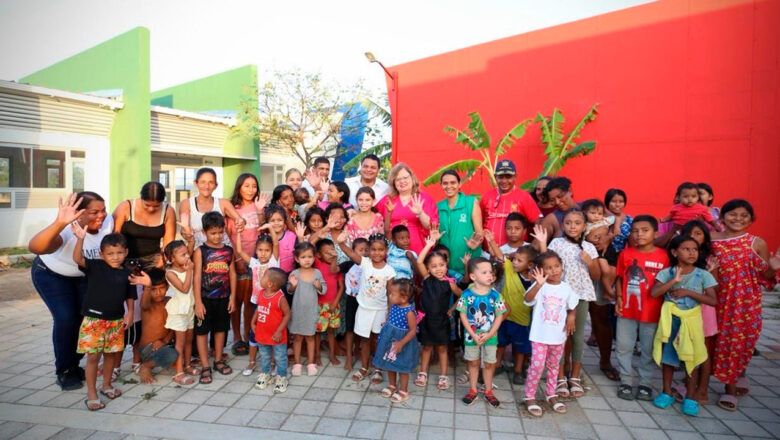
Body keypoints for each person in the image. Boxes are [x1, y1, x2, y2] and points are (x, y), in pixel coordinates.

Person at [29, 192, 112, 390]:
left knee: (85, 320)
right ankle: (65, 370)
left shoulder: (108, 222)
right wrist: (60, 222)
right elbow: (35, 247)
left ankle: (74, 363)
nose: (101, 215)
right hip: (51, 276)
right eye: (94, 212)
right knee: (66, 319)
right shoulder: (68, 230)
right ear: (80, 213)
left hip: (82, 278)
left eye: (103, 210)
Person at [711, 199, 779, 411]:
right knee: (712, 340)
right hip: (714, 299)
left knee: (738, 342)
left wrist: (773, 268)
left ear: (751, 220)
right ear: (722, 217)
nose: (738, 219)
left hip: (744, 304)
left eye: (744, 216)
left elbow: (765, 276)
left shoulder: (756, 242)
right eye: (732, 214)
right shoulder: (711, 240)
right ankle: (697, 384)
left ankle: (730, 387)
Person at [71, 230, 138, 411]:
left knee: (111, 355)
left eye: (119, 253)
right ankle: (91, 393)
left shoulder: (127, 273)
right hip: (93, 320)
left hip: (116, 321)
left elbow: (130, 296)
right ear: (102, 254)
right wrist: (80, 238)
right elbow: (78, 258)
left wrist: (130, 313)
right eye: (110, 253)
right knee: (93, 357)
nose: (115, 257)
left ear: (126, 253)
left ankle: (106, 385)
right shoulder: (96, 266)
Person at [651, 235, 717, 417]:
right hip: (671, 320)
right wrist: (674, 281)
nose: (691, 253)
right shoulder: (667, 273)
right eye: (686, 249)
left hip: (691, 322)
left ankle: (691, 397)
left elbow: (713, 300)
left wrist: (687, 292)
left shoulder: (703, 274)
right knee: (668, 358)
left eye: (694, 249)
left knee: (691, 359)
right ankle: (666, 392)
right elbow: (655, 292)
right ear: (674, 252)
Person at [542, 210, 600, 398]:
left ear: (584, 226)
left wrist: (590, 262)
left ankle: (574, 376)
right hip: (558, 297)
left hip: (581, 296)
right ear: (563, 225)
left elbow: (597, 275)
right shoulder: (556, 243)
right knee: (560, 336)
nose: (572, 226)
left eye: (577, 223)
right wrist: (543, 244)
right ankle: (559, 376)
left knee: (576, 335)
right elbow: (547, 264)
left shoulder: (589, 248)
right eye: (568, 223)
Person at [614, 215, 669, 401]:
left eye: (645, 230)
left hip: (652, 312)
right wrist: (619, 298)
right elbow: (620, 277)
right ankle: (626, 381)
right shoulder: (626, 254)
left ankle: (645, 383)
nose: (639, 234)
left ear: (656, 232)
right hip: (627, 309)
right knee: (624, 346)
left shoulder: (664, 256)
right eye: (635, 231)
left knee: (648, 349)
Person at [522, 251, 578, 417]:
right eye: (549, 268)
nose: (554, 270)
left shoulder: (566, 287)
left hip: (558, 337)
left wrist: (572, 317)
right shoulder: (540, 285)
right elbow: (527, 299)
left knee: (554, 365)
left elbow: (572, 305)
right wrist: (538, 284)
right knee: (537, 366)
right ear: (541, 271)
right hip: (539, 336)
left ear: (562, 267)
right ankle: (529, 396)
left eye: (557, 266)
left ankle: (551, 394)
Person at [336, 231, 396, 385]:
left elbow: (390, 293)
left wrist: (390, 312)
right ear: (369, 251)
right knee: (364, 340)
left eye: (381, 250)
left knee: (378, 340)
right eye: (373, 249)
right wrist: (342, 243)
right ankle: (364, 367)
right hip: (363, 309)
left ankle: (378, 368)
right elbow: (350, 253)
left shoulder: (389, 270)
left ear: (386, 251)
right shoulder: (365, 263)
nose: (377, 253)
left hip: (381, 310)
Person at [226, 173, 268, 357]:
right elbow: (229, 235)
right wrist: (236, 258)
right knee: (236, 301)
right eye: (246, 186)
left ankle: (249, 334)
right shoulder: (231, 208)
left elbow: (263, 228)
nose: (251, 190)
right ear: (239, 187)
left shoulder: (259, 206)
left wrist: (259, 210)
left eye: (253, 186)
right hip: (237, 259)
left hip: (257, 261)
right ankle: (236, 337)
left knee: (251, 301)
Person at [456, 257, 507, 407]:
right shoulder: (466, 294)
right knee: (473, 362)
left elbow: (499, 316)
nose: (489, 275)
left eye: (491, 272)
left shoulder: (495, 295)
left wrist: (490, 334)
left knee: (490, 364)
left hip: (490, 337)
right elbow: (462, 315)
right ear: (473, 276)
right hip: (471, 337)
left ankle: (489, 391)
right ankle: (472, 390)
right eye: (484, 272)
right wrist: (472, 334)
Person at [193, 212, 237, 384]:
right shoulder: (200, 251)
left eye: (220, 232)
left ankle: (218, 359)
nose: (217, 236)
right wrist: (197, 302)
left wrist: (233, 297)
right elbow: (197, 276)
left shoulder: (228, 251)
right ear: (204, 232)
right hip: (205, 299)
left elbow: (232, 274)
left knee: (221, 329)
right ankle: (205, 365)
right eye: (213, 233)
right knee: (203, 331)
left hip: (224, 297)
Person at [415, 233, 461, 390]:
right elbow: (419, 260)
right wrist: (429, 245)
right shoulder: (427, 279)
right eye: (434, 266)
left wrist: (452, 309)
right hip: (427, 321)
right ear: (428, 268)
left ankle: (443, 375)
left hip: (442, 321)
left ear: (446, 265)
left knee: (442, 348)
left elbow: (463, 296)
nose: (438, 269)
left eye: (441, 265)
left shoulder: (450, 283)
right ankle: (423, 372)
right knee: (426, 347)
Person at [372, 279, 420, 403]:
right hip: (390, 339)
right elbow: (390, 316)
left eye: (393, 293)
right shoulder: (394, 305)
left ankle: (403, 391)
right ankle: (392, 385)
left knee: (402, 366)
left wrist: (401, 343)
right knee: (389, 363)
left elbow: (413, 330)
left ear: (404, 298)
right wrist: (387, 324)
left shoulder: (409, 312)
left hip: (402, 342)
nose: (390, 295)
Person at [495, 245, 537, 385]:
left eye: (519, 261)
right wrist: (491, 240)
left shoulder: (534, 279)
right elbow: (500, 255)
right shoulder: (509, 270)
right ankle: (497, 365)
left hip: (522, 319)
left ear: (530, 264)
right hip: (504, 316)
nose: (514, 262)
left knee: (521, 348)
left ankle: (518, 371)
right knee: (500, 343)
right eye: (514, 259)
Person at [178, 167, 245, 252]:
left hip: (222, 255)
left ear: (216, 185)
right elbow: (184, 231)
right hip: (198, 254)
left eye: (211, 182)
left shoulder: (223, 203)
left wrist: (241, 222)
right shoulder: (186, 204)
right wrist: (187, 233)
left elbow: (240, 219)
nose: (206, 186)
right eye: (203, 182)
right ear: (196, 183)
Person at [113, 181, 177, 270]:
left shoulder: (168, 211)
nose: (151, 209)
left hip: (154, 260)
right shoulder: (125, 207)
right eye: (147, 205)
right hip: (125, 259)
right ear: (141, 197)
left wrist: (163, 259)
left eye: (156, 206)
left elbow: (169, 241)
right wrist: (117, 260)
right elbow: (114, 237)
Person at [377, 163, 438, 254]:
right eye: (398, 179)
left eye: (405, 178)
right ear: (393, 182)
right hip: (393, 250)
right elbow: (372, 216)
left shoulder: (424, 198)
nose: (402, 181)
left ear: (412, 178)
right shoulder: (387, 200)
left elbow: (430, 226)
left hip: (419, 248)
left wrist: (420, 213)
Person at [585, 225, 620, 381]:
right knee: (571, 321)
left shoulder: (609, 223)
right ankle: (566, 365)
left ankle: (605, 362)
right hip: (580, 270)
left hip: (600, 274)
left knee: (601, 318)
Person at [480, 160, 542, 247]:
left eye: (508, 177)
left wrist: (534, 246)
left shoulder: (524, 196)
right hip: (488, 252)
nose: (504, 181)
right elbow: (479, 223)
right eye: (501, 177)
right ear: (495, 177)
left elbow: (538, 221)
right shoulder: (487, 196)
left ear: (515, 176)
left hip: (516, 254)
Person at [287, 242, 326, 376]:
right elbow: (289, 291)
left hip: (311, 312)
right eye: (303, 257)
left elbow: (323, 290)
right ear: (297, 259)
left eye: (310, 256)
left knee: (310, 337)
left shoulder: (317, 273)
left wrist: (318, 286)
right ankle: (297, 363)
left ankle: (311, 363)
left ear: (314, 257)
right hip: (297, 312)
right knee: (297, 338)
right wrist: (292, 285)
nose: (307, 260)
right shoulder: (294, 273)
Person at [136, 268, 180, 385]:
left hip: (164, 344)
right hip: (149, 348)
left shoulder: (169, 301)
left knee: (182, 345)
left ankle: (176, 362)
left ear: (167, 287)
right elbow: (144, 305)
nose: (158, 292)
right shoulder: (148, 305)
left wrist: (165, 340)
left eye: (161, 288)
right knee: (172, 355)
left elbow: (174, 326)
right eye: (153, 289)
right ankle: (146, 366)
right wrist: (147, 286)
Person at [163, 241, 197, 385]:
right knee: (180, 343)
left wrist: (191, 242)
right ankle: (178, 372)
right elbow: (184, 288)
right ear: (172, 258)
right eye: (183, 255)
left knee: (189, 340)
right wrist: (189, 271)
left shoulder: (186, 267)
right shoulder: (170, 273)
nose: (187, 256)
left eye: (187, 253)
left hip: (189, 309)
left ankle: (187, 365)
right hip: (178, 311)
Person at [252, 267, 291, 394]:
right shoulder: (261, 293)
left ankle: (281, 377)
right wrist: (253, 321)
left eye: (263, 276)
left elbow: (287, 314)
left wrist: (279, 331)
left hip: (277, 336)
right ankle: (266, 374)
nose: (261, 277)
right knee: (264, 356)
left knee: (280, 357)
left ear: (270, 283)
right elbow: (259, 308)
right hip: (262, 333)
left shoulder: (280, 298)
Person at [437, 170, 483, 277]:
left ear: (459, 184)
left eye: (453, 183)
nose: (449, 186)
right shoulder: (439, 206)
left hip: (469, 264)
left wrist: (476, 242)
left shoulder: (471, 202)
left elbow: (479, 232)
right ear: (441, 185)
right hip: (446, 268)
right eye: (445, 183)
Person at [657, 182, 720, 246]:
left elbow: (710, 220)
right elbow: (670, 216)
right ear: (679, 197)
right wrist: (663, 220)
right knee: (673, 243)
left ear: (698, 197)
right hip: (678, 231)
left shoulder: (702, 209)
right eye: (686, 196)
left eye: (693, 196)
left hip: (694, 234)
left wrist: (716, 226)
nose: (690, 199)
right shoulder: (675, 208)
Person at [313, 239, 344, 366]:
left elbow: (341, 287)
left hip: (333, 305)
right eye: (327, 253)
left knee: (331, 332)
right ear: (319, 255)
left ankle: (332, 355)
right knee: (318, 332)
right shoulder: (317, 265)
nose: (331, 255)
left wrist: (335, 303)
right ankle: (317, 355)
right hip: (319, 305)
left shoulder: (337, 268)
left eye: (332, 251)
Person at [342, 238, 368, 371]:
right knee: (350, 329)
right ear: (353, 251)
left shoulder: (369, 264)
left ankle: (362, 354)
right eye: (360, 250)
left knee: (363, 330)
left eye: (366, 250)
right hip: (352, 300)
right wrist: (334, 257)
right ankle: (348, 357)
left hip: (366, 301)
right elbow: (334, 270)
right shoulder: (348, 264)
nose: (363, 253)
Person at [605, 188, 632, 253]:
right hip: (602, 255)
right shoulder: (600, 217)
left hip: (620, 256)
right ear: (607, 202)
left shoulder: (629, 220)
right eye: (613, 201)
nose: (617, 205)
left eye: (621, 202)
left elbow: (631, 242)